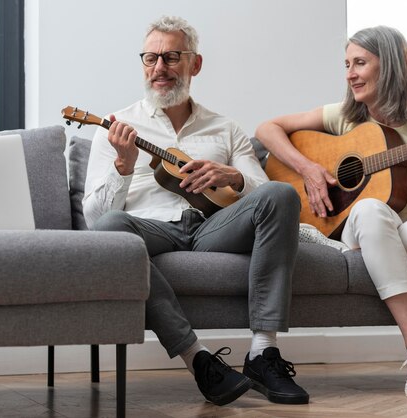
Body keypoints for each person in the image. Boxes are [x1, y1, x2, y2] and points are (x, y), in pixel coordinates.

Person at [82, 15, 309, 406]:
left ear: (195, 64)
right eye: (150, 58)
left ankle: (262, 352)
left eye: (172, 57)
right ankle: (198, 359)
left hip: (212, 228)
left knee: (282, 195)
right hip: (149, 228)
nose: (159, 68)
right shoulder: (116, 127)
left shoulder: (225, 128)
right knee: (111, 228)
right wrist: (123, 165)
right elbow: (95, 219)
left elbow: (261, 191)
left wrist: (234, 177)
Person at [255, 25, 407, 399]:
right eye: (347, 64)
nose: (350, 74)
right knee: (369, 210)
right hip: (376, 225)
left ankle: (354, 252)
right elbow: (267, 129)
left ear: (390, 65)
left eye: (359, 63)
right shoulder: (345, 117)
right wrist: (309, 169)